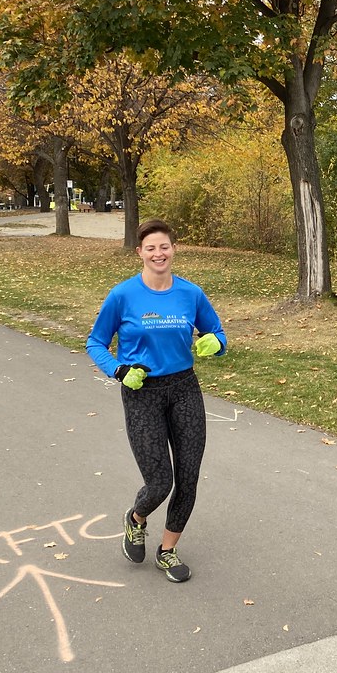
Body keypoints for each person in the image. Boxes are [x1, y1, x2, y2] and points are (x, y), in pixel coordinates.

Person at [87, 219, 226, 583]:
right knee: (160, 481)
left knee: (189, 477)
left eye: (163, 246)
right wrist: (118, 371)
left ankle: (167, 551)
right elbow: (95, 343)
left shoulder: (190, 294)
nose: (158, 253)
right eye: (150, 248)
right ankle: (136, 518)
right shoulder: (122, 295)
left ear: (173, 249)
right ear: (140, 252)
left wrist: (217, 343)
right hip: (141, 391)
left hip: (184, 388)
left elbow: (217, 331)